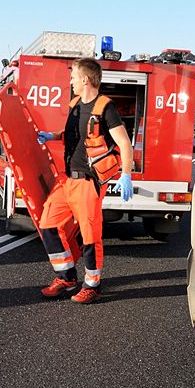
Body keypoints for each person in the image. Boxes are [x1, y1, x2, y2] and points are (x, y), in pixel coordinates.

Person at [35, 58, 134, 304]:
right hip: (67, 180)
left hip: (87, 183)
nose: (70, 82)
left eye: (73, 78)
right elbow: (74, 136)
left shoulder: (105, 108)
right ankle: (67, 276)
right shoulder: (75, 104)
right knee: (47, 225)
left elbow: (124, 144)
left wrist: (127, 175)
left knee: (90, 236)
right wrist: (52, 136)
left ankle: (93, 285)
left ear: (85, 80)